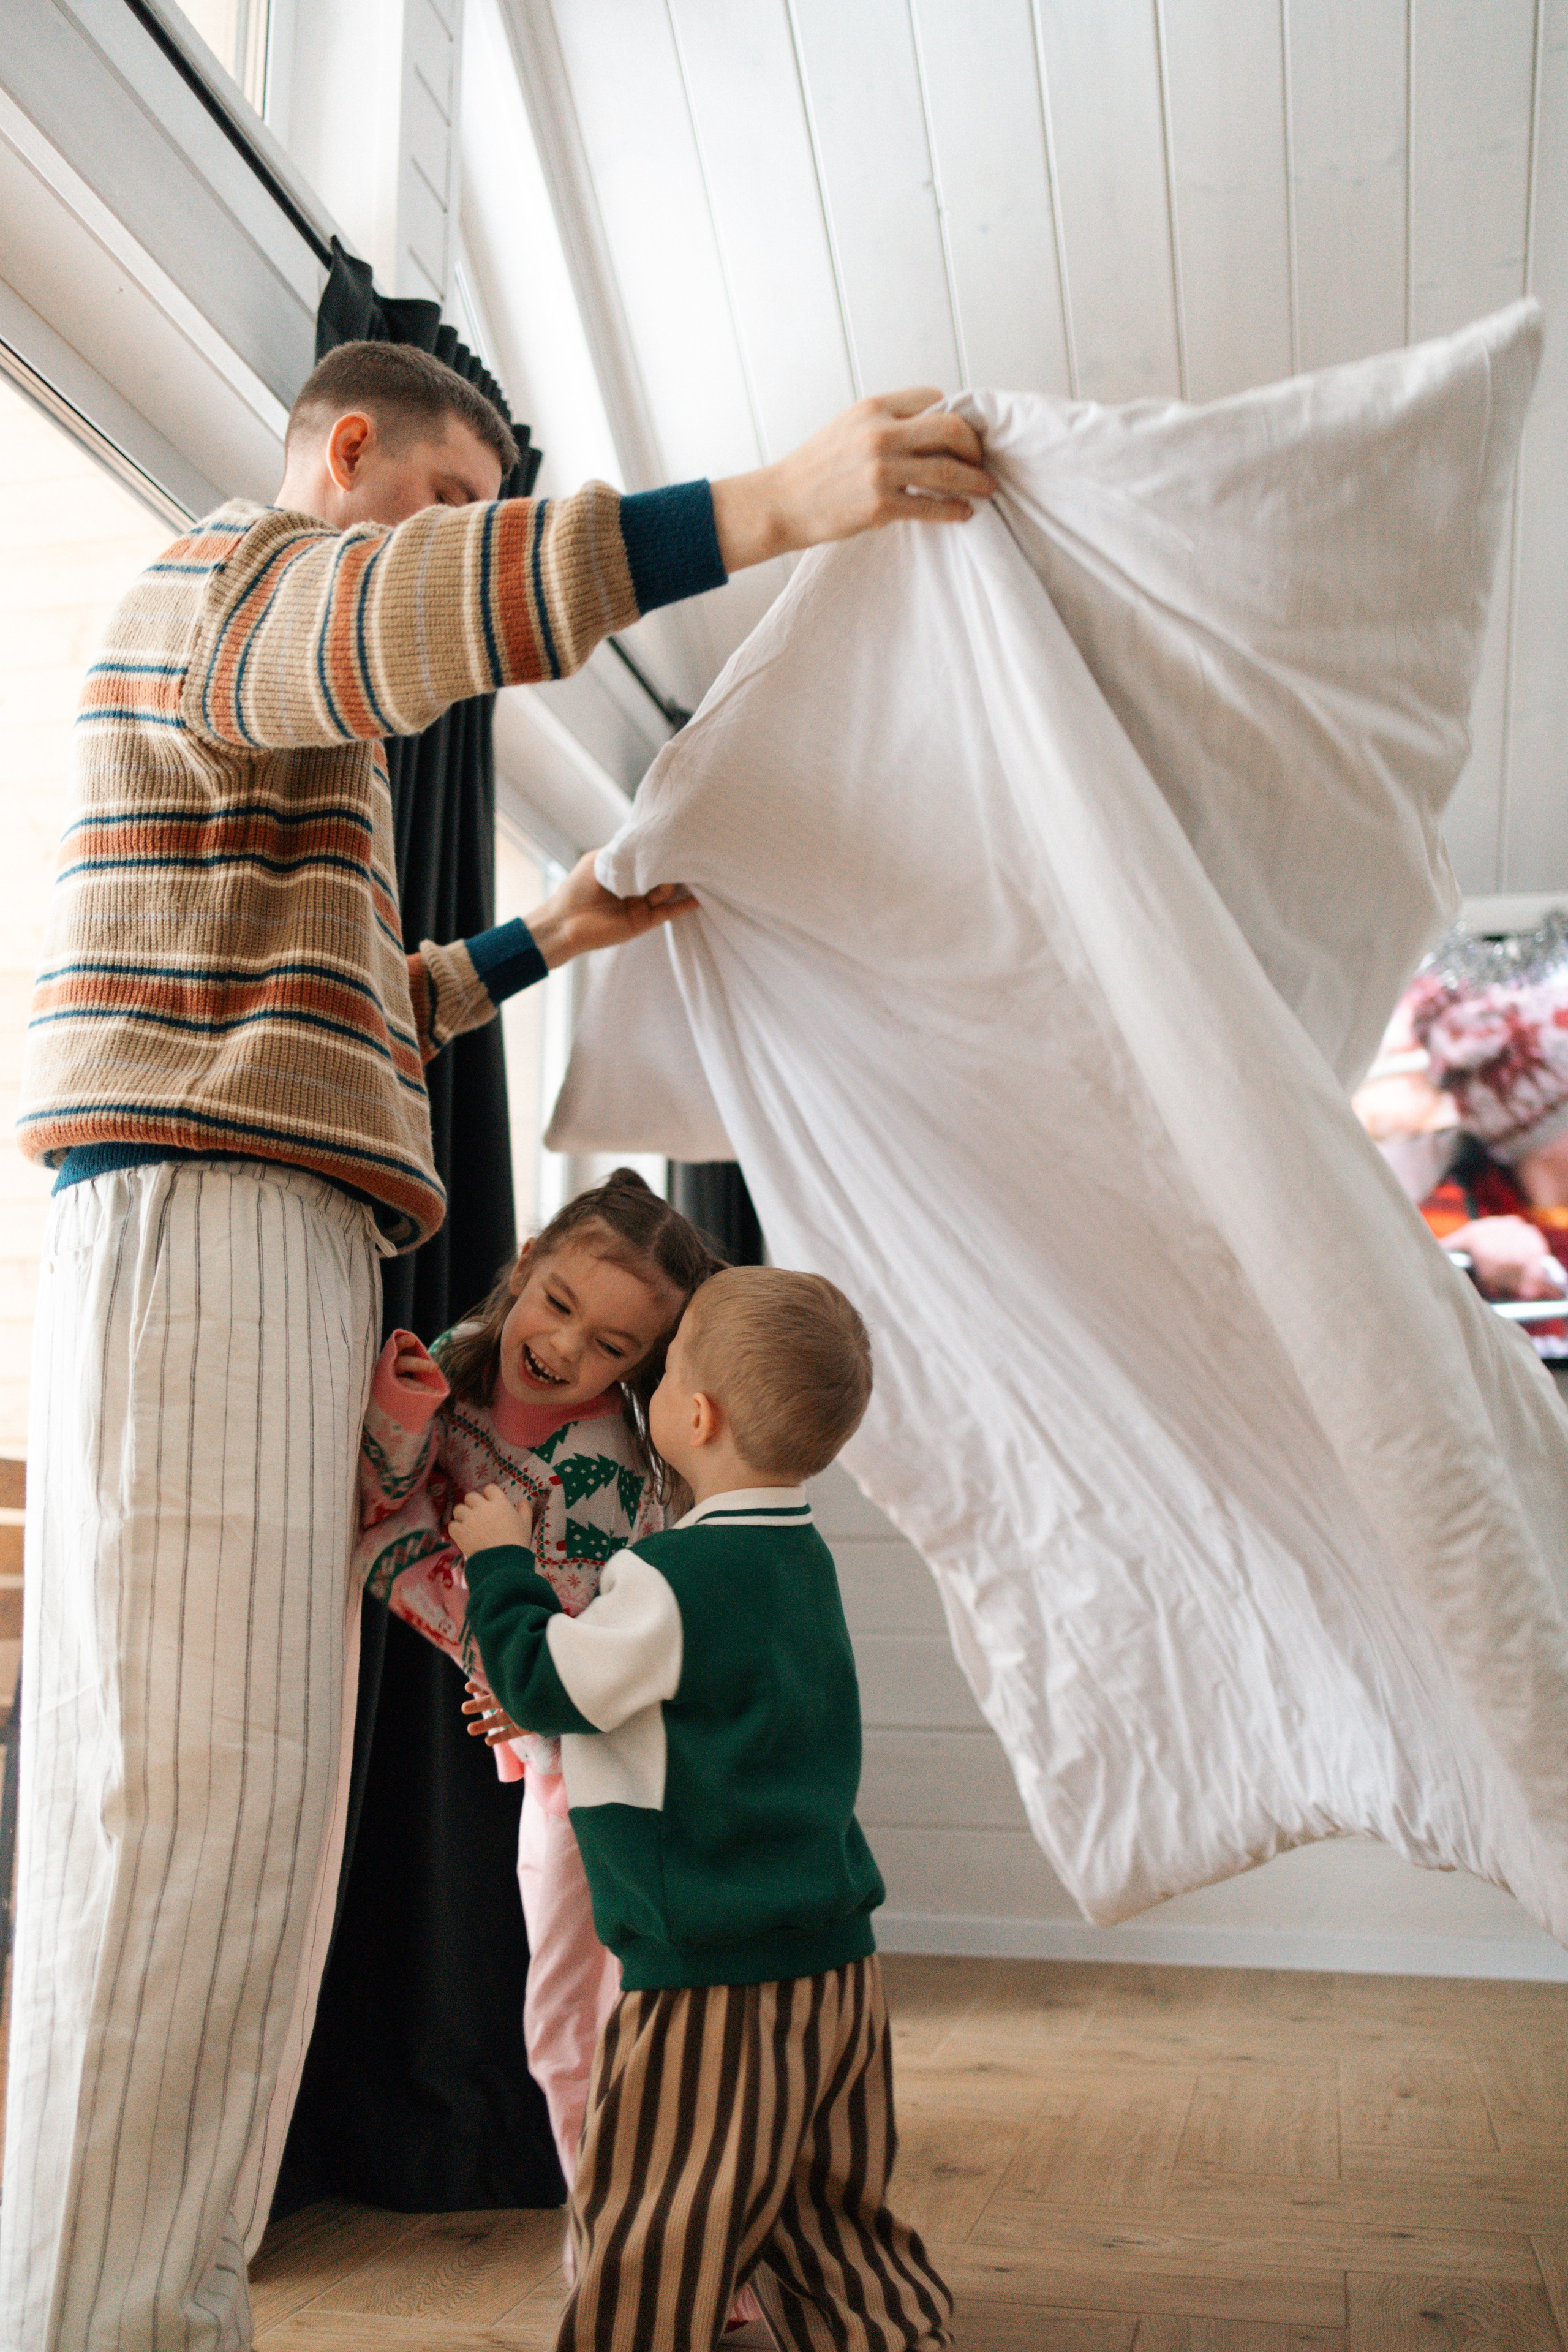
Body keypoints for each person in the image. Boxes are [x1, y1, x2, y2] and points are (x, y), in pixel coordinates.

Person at [3, 334, 993, 2352]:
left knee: (252, 1825)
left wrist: (559, 940)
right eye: (450, 504)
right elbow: (404, 608)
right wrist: (769, 508)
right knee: (193, 1811)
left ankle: (147, 2305)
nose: (457, 560)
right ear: (345, 453)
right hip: (207, 1214)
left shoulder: (293, 752)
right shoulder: (239, 577)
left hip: (260, 1216)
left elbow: (373, 999)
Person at [452, 1265, 954, 2352]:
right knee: (829, 2210)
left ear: (696, 1414)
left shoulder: (669, 1576)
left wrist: (500, 1566)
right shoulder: (802, 1560)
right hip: (835, 1962)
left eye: (666, 1363)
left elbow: (548, 1683)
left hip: (713, 1976)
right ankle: (889, 2332)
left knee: (657, 2212)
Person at [355, 1168, 722, 2194]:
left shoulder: (600, 1462)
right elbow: (380, 1498)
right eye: (559, 1305)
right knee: (571, 2025)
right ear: (526, 1267)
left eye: (611, 1346)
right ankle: (645, 2250)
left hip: (613, 1749)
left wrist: (527, 1682)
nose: (563, 1349)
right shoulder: (464, 1365)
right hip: (556, 1739)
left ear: (646, 1364)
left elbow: (612, 1629)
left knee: (588, 2023)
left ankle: (655, 2253)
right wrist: (400, 1407)